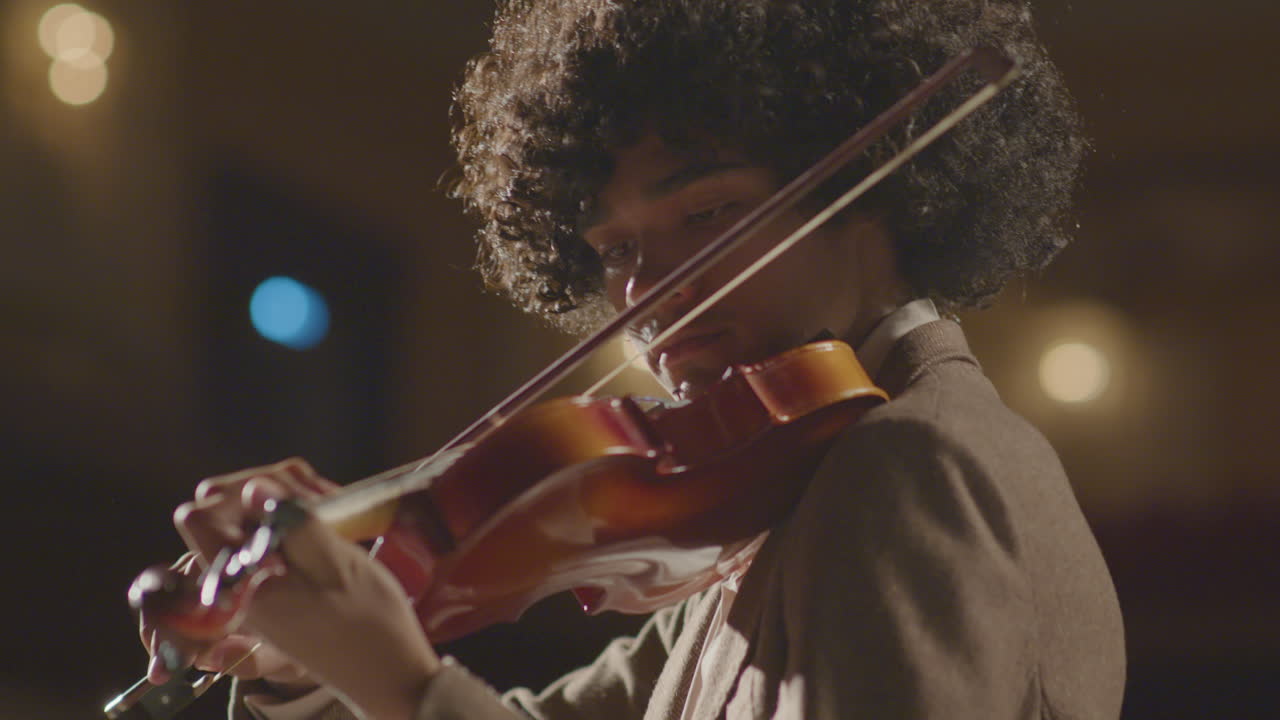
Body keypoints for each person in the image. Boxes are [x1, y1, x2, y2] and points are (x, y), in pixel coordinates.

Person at [140, 1, 1126, 718]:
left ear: (882, 190)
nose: (646, 298)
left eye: (705, 214)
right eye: (616, 252)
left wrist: (404, 683)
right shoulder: (776, 503)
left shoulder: (913, 463)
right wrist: (300, 661)